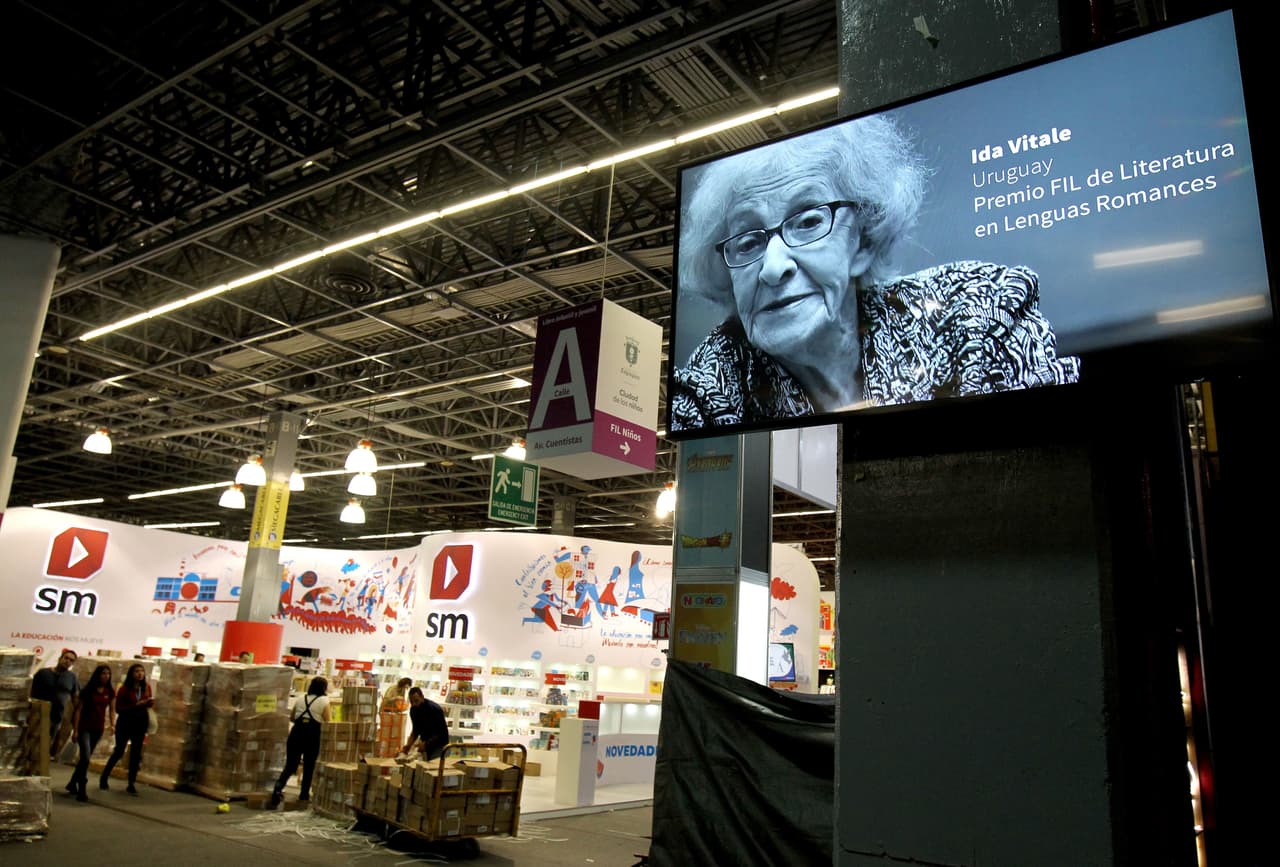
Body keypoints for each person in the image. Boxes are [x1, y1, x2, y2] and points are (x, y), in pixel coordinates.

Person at [670, 117, 1080, 430]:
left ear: (862, 242)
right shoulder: (708, 387)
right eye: (747, 242)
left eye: (809, 221)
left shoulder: (977, 312)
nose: (773, 268)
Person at [270, 676, 330, 806]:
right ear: (324, 688)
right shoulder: (324, 701)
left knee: (291, 765)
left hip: (296, 734)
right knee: (309, 766)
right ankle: (303, 796)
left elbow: (292, 718)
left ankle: (278, 788)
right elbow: (328, 721)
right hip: (312, 736)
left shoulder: (301, 698)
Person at [100, 663, 153, 795]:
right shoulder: (124, 689)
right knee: (119, 751)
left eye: (142, 671)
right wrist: (136, 705)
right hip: (125, 723)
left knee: (135, 753)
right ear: (131, 674)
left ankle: (131, 783)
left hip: (140, 723)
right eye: (137, 671)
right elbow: (119, 709)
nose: (140, 674)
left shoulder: (146, 687)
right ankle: (104, 776)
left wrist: (148, 703)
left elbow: (149, 704)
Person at [67, 664, 115, 801]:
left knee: (84, 760)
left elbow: (111, 709)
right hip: (84, 727)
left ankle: (72, 783)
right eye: (103, 673)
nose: (106, 676)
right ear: (97, 675)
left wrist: (112, 724)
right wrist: (75, 730)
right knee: (86, 758)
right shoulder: (88, 691)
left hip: (97, 729)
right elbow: (78, 711)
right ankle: (82, 787)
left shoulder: (109, 692)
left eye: (108, 674)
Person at [30, 648, 79, 758]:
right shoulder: (43, 673)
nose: (68, 661)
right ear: (60, 658)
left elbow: (75, 699)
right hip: (38, 714)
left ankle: (39, 767)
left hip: (56, 716)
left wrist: (73, 721)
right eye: (66, 658)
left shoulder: (72, 678)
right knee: (33, 741)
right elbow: (31, 693)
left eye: (71, 660)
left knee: (46, 744)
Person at [402, 687, 449, 761]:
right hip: (425, 742)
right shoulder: (413, 710)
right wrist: (408, 746)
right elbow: (415, 730)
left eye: (416, 701)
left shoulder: (434, 709)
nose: (414, 704)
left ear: (422, 697)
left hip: (439, 744)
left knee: (433, 766)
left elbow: (442, 734)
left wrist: (426, 744)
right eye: (411, 702)